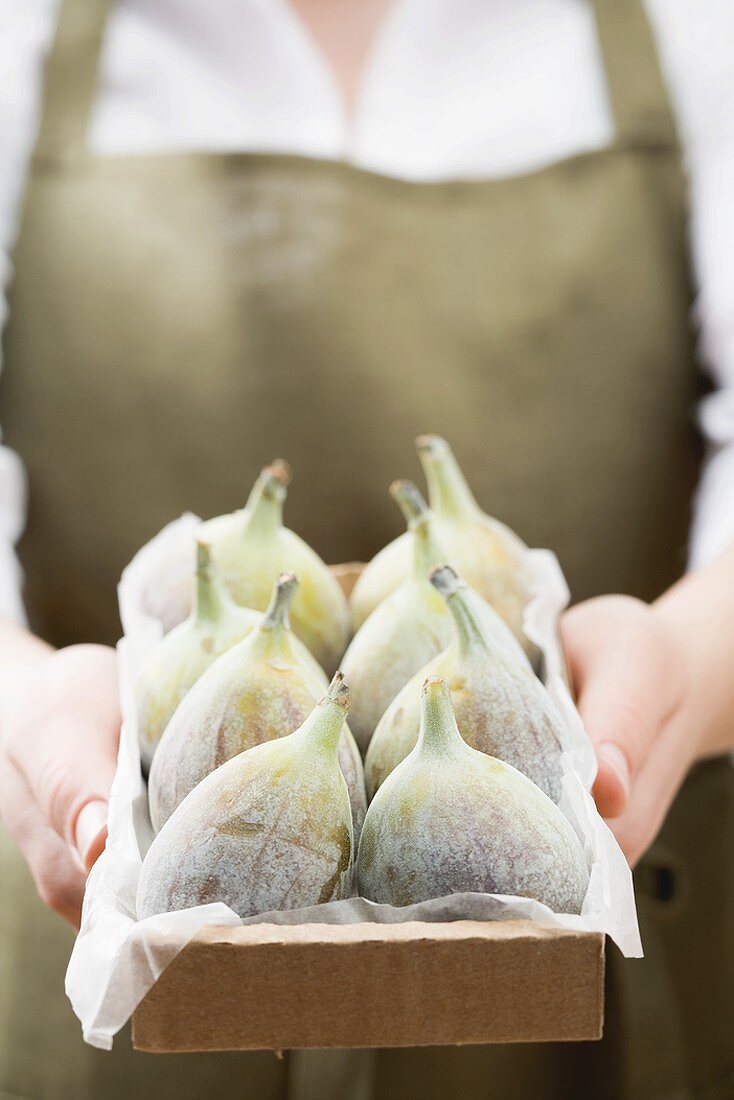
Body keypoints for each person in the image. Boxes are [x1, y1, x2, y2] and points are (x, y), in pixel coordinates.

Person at [0, 0, 732, 1097]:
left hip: (577, 1016)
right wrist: (17, 696)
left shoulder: (694, 29)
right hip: (119, 978)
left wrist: (686, 659)